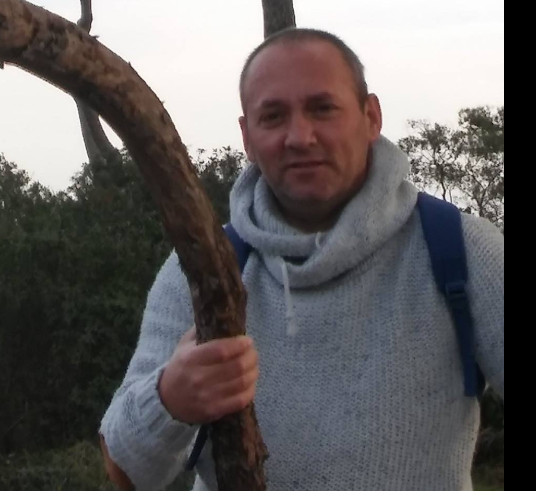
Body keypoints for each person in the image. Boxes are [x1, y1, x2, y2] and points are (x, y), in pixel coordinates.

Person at [99, 28, 504, 491]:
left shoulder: (461, 250)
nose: (299, 137)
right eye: (273, 116)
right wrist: (170, 398)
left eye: (322, 108)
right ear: (247, 137)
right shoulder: (202, 267)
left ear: (371, 117)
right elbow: (124, 471)